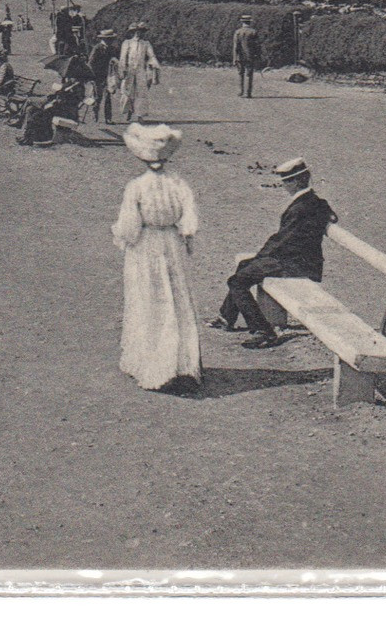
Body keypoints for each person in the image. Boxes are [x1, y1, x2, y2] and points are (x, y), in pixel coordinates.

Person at [111, 123, 201, 393]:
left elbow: (129, 226)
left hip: (146, 244)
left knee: (149, 300)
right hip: (171, 243)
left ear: (141, 157)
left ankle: (153, 365)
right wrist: (183, 236)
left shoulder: (137, 186)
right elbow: (190, 221)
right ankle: (182, 365)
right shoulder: (179, 185)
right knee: (176, 300)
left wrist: (122, 238)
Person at [213, 158, 339, 348]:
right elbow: (331, 215)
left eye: (286, 181)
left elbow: (281, 240)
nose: (284, 186)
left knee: (237, 281)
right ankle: (226, 317)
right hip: (300, 259)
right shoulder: (315, 201)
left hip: (295, 264)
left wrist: (260, 257)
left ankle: (264, 331)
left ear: (295, 182)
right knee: (244, 266)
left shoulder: (300, 207)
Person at [116, 22, 160, 122]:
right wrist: (122, 70)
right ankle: (129, 111)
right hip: (129, 71)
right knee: (127, 91)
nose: (137, 34)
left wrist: (154, 65)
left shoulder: (145, 44)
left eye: (140, 32)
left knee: (141, 93)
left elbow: (151, 55)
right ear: (132, 32)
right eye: (135, 32)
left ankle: (140, 115)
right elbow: (123, 58)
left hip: (140, 71)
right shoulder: (127, 43)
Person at [85, 30, 118, 123]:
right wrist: (90, 76)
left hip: (109, 76)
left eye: (111, 39)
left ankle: (108, 118)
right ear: (103, 39)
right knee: (97, 97)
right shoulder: (97, 48)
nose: (110, 41)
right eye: (108, 39)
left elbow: (116, 60)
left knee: (108, 96)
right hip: (97, 76)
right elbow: (90, 63)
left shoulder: (112, 49)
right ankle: (95, 115)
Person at [232, 14, 262, 99]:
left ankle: (240, 91)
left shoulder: (238, 32)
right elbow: (257, 46)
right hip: (250, 56)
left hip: (240, 56)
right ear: (250, 22)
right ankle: (248, 93)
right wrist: (258, 56)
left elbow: (235, 46)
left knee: (240, 73)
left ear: (242, 22)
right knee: (249, 74)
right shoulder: (253, 32)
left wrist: (234, 58)